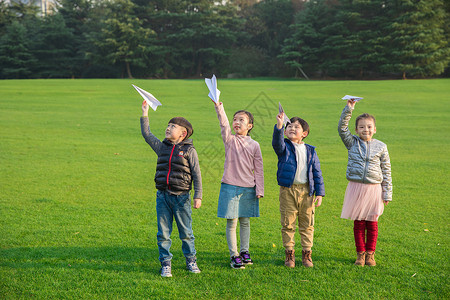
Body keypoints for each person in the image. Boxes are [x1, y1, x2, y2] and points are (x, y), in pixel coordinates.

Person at [140, 100, 203, 277]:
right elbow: (146, 134)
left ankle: (191, 260)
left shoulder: (189, 151)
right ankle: (165, 263)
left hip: (182, 198)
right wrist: (145, 112)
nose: (168, 128)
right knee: (163, 234)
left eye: (172, 126)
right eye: (168, 125)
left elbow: (197, 175)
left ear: (183, 133)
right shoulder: (161, 148)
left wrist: (198, 196)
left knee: (186, 233)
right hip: (163, 197)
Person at [338, 99, 392, 266]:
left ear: (375, 129)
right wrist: (349, 109)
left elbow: (386, 170)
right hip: (356, 188)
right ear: (356, 130)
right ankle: (360, 254)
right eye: (361, 127)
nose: (365, 129)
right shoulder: (352, 143)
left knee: (372, 223)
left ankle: (370, 254)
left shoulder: (381, 147)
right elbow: (342, 129)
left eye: (369, 127)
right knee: (359, 223)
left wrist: (387, 192)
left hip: (374, 189)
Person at [212, 100, 264, 269]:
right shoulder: (230, 140)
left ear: (250, 125)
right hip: (229, 186)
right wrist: (219, 107)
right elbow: (223, 124)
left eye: (241, 119)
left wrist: (259, 189)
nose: (236, 122)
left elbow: (259, 169)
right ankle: (234, 255)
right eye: (235, 119)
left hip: (248, 188)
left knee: (245, 222)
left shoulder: (255, 145)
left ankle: (244, 251)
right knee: (231, 222)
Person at [272, 112, 325, 268]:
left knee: (307, 223)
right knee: (288, 223)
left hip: (307, 192)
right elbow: (277, 143)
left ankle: (306, 254)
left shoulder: (310, 151)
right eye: (289, 126)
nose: (292, 128)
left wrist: (320, 193)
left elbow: (317, 172)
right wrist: (280, 126)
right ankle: (289, 254)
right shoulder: (284, 148)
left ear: (304, 133)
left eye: (296, 127)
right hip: (288, 190)